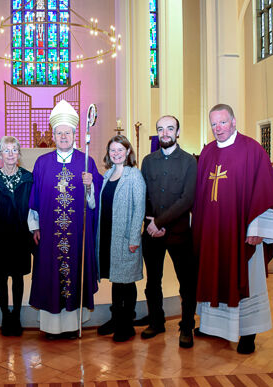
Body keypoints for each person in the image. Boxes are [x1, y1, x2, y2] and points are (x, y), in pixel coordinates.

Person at [192, 104, 273, 354]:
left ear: (233, 121)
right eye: (213, 124)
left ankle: (248, 333)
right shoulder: (208, 152)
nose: (218, 128)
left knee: (247, 279)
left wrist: (258, 227)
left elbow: (264, 190)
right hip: (213, 232)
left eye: (222, 122)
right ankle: (213, 326)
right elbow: (200, 195)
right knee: (215, 273)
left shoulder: (251, 149)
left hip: (242, 232)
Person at [28, 99, 102, 339]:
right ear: (53, 134)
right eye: (59, 133)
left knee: (75, 273)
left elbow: (93, 202)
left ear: (74, 135)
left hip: (77, 234)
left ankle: (72, 326)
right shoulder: (42, 163)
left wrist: (90, 187)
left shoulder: (86, 161)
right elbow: (35, 198)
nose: (63, 137)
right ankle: (51, 327)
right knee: (50, 273)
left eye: (67, 133)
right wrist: (35, 226)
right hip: (49, 233)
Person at [136, 115, 197, 348]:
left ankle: (186, 327)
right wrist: (150, 222)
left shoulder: (190, 162)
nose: (165, 133)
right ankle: (156, 321)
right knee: (153, 282)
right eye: (160, 129)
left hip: (179, 232)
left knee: (186, 282)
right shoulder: (148, 161)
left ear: (178, 132)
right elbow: (145, 195)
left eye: (170, 129)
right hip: (152, 233)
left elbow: (187, 199)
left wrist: (160, 222)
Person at [95, 135, 145, 342]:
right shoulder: (107, 175)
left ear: (128, 152)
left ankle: (127, 324)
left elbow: (139, 208)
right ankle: (116, 318)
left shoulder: (134, 175)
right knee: (116, 280)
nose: (116, 154)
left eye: (120, 150)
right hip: (108, 235)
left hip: (125, 237)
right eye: (112, 150)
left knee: (127, 282)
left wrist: (134, 237)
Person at [0, 136, 33, 336]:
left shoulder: (28, 178)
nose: (10, 154)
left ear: (19, 154)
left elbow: (33, 207)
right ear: (0, 154)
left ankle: (17, 315)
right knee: (2, 277)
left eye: (14, 150)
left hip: (21, 235)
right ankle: (5, 315)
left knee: (18, 277)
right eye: (6, 150)